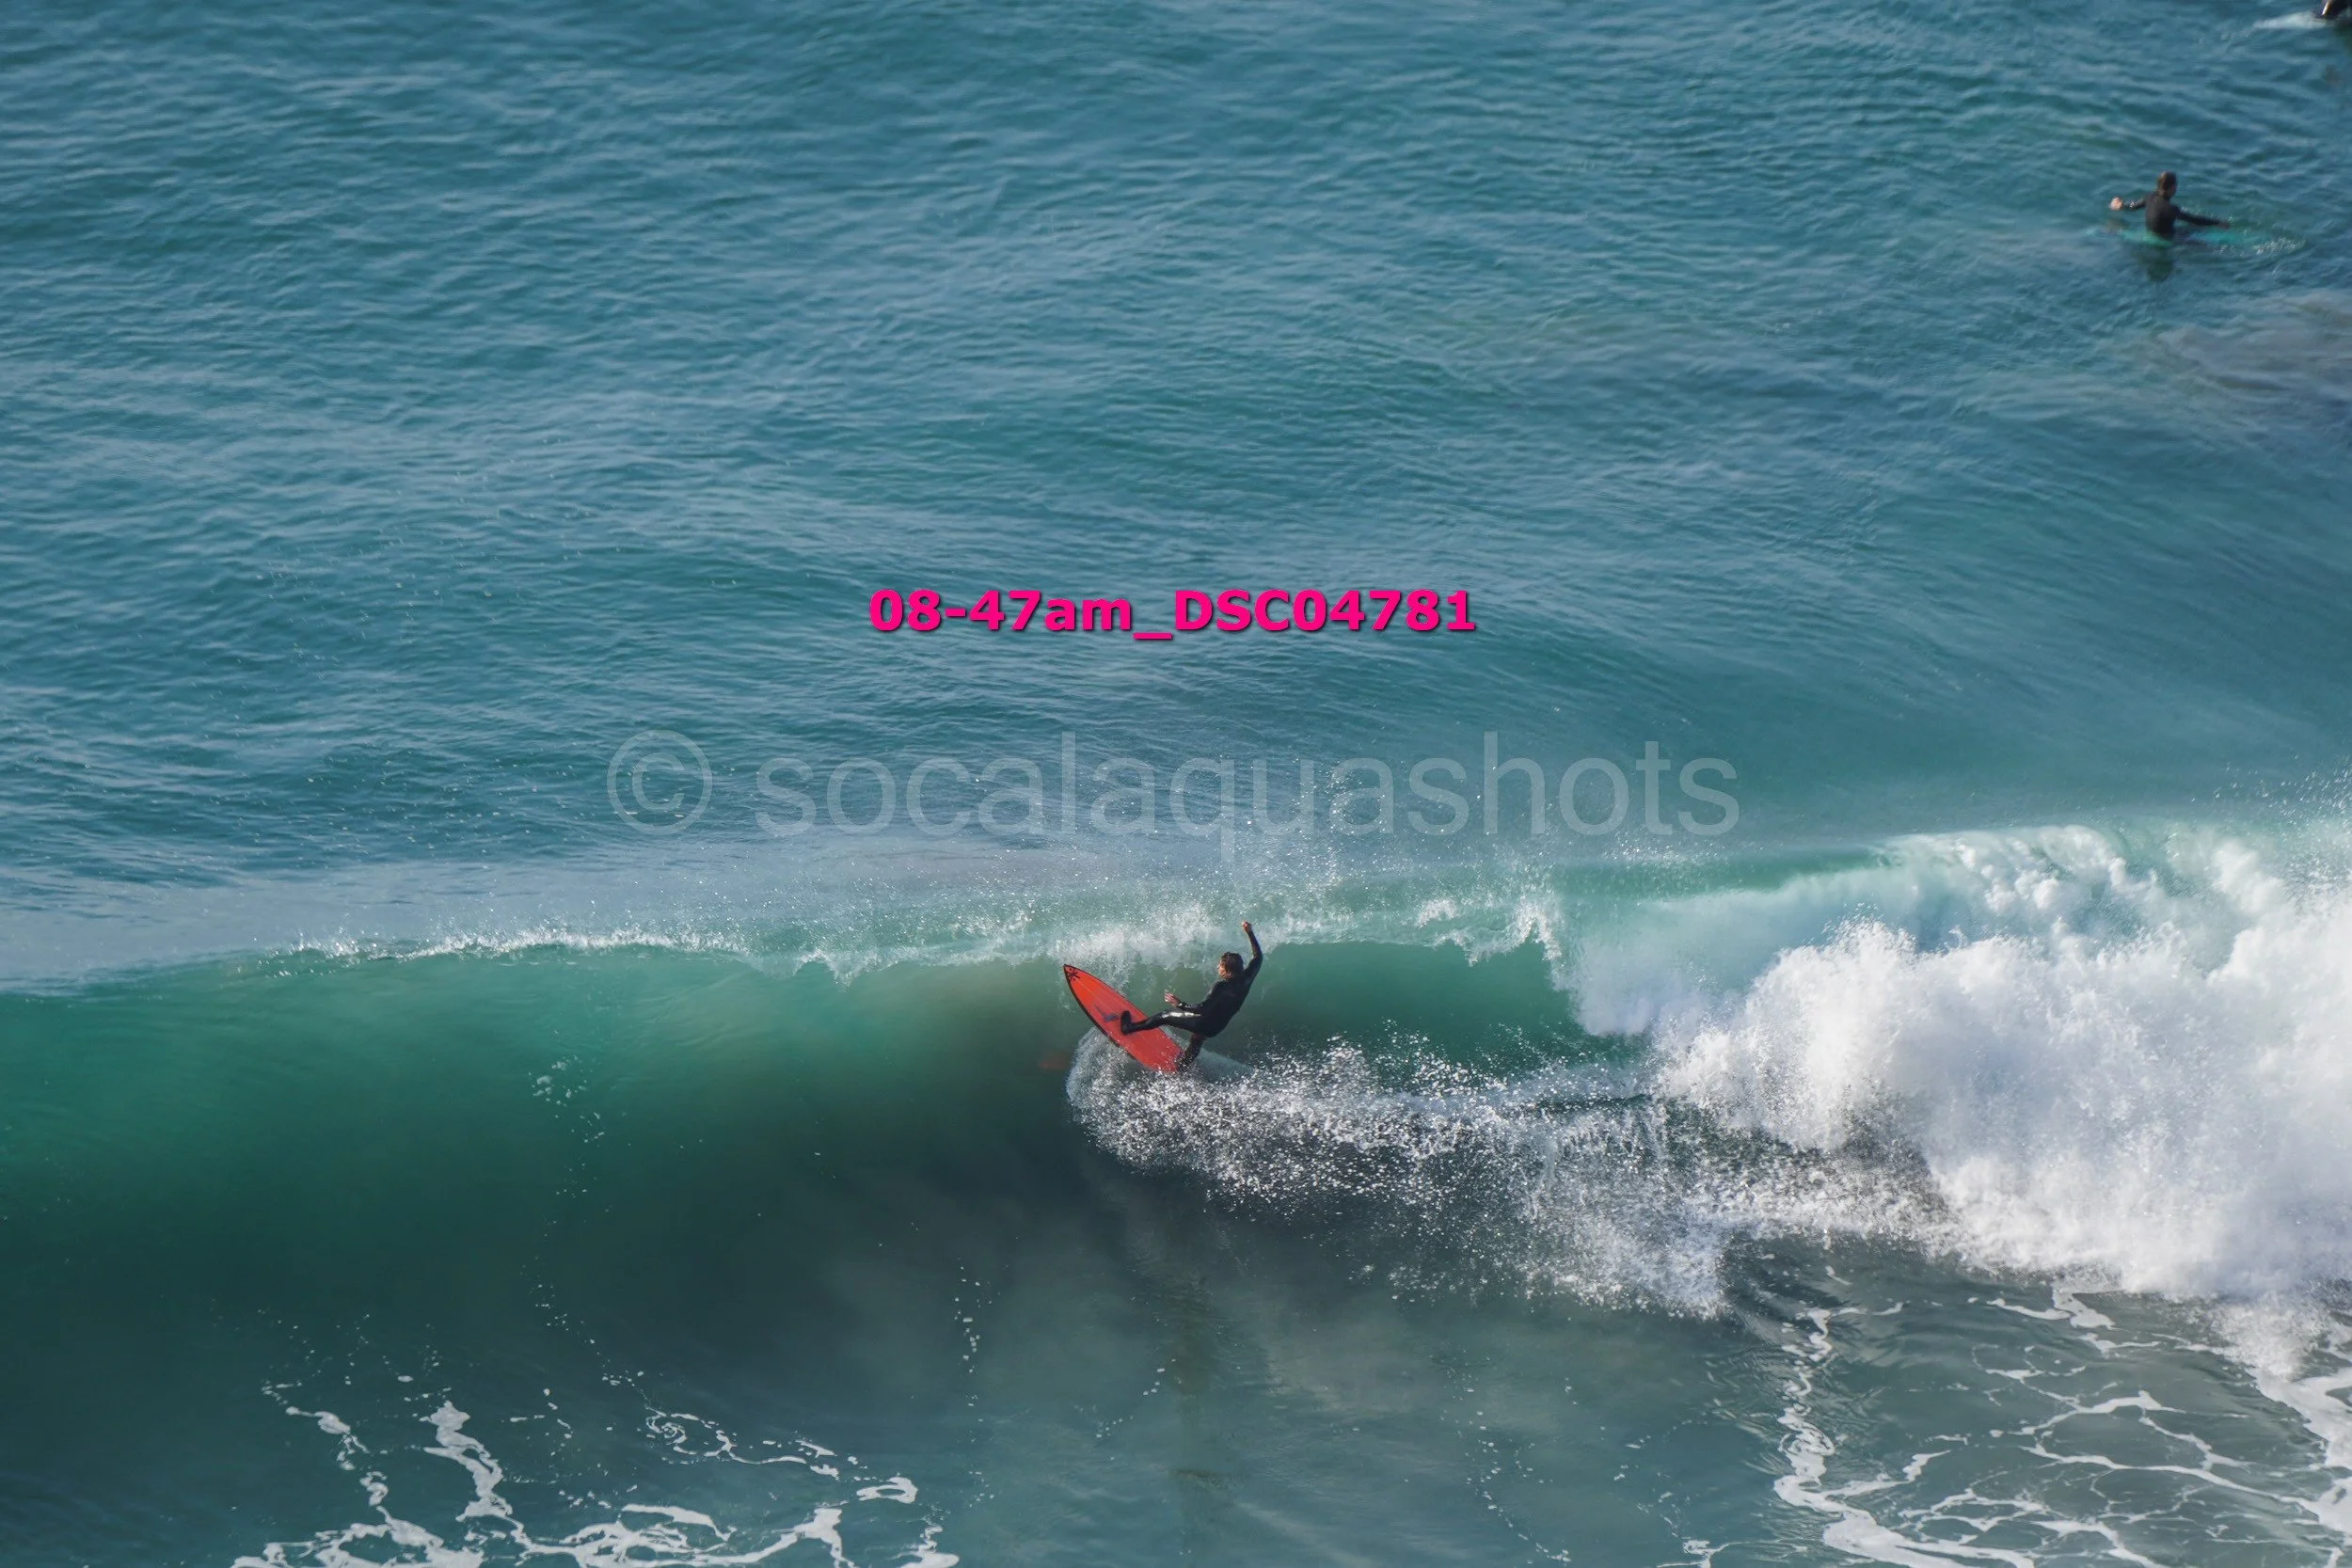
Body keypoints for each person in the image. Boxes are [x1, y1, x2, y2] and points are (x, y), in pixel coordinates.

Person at [1120, 921, 1262, 1070]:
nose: (1218, 967)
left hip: (1204, 1021)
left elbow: (1202, 1009)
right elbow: (1258, 956)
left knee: (1163, 1016)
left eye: (1220, 965)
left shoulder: (1222, 986)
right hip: (1217, 1027)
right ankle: (1182, 1066)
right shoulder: (1248, 977)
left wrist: (1180, 1004)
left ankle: (1128, 1028)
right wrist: (1249, 932)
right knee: (1197, 1039)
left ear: (1226, 968)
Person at [2109, 172, 2229, 240]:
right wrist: (2217, 222)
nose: (2176, 188)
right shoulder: (2170, 208)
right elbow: (2193, 219)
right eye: (2175, 185)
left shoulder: (2149, 197)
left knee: (2193, 229)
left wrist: (2122, 205)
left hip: (2151, 232)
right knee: (2199, 239)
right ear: (2171, 188)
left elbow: (2133, 206)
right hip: (2166, 237)